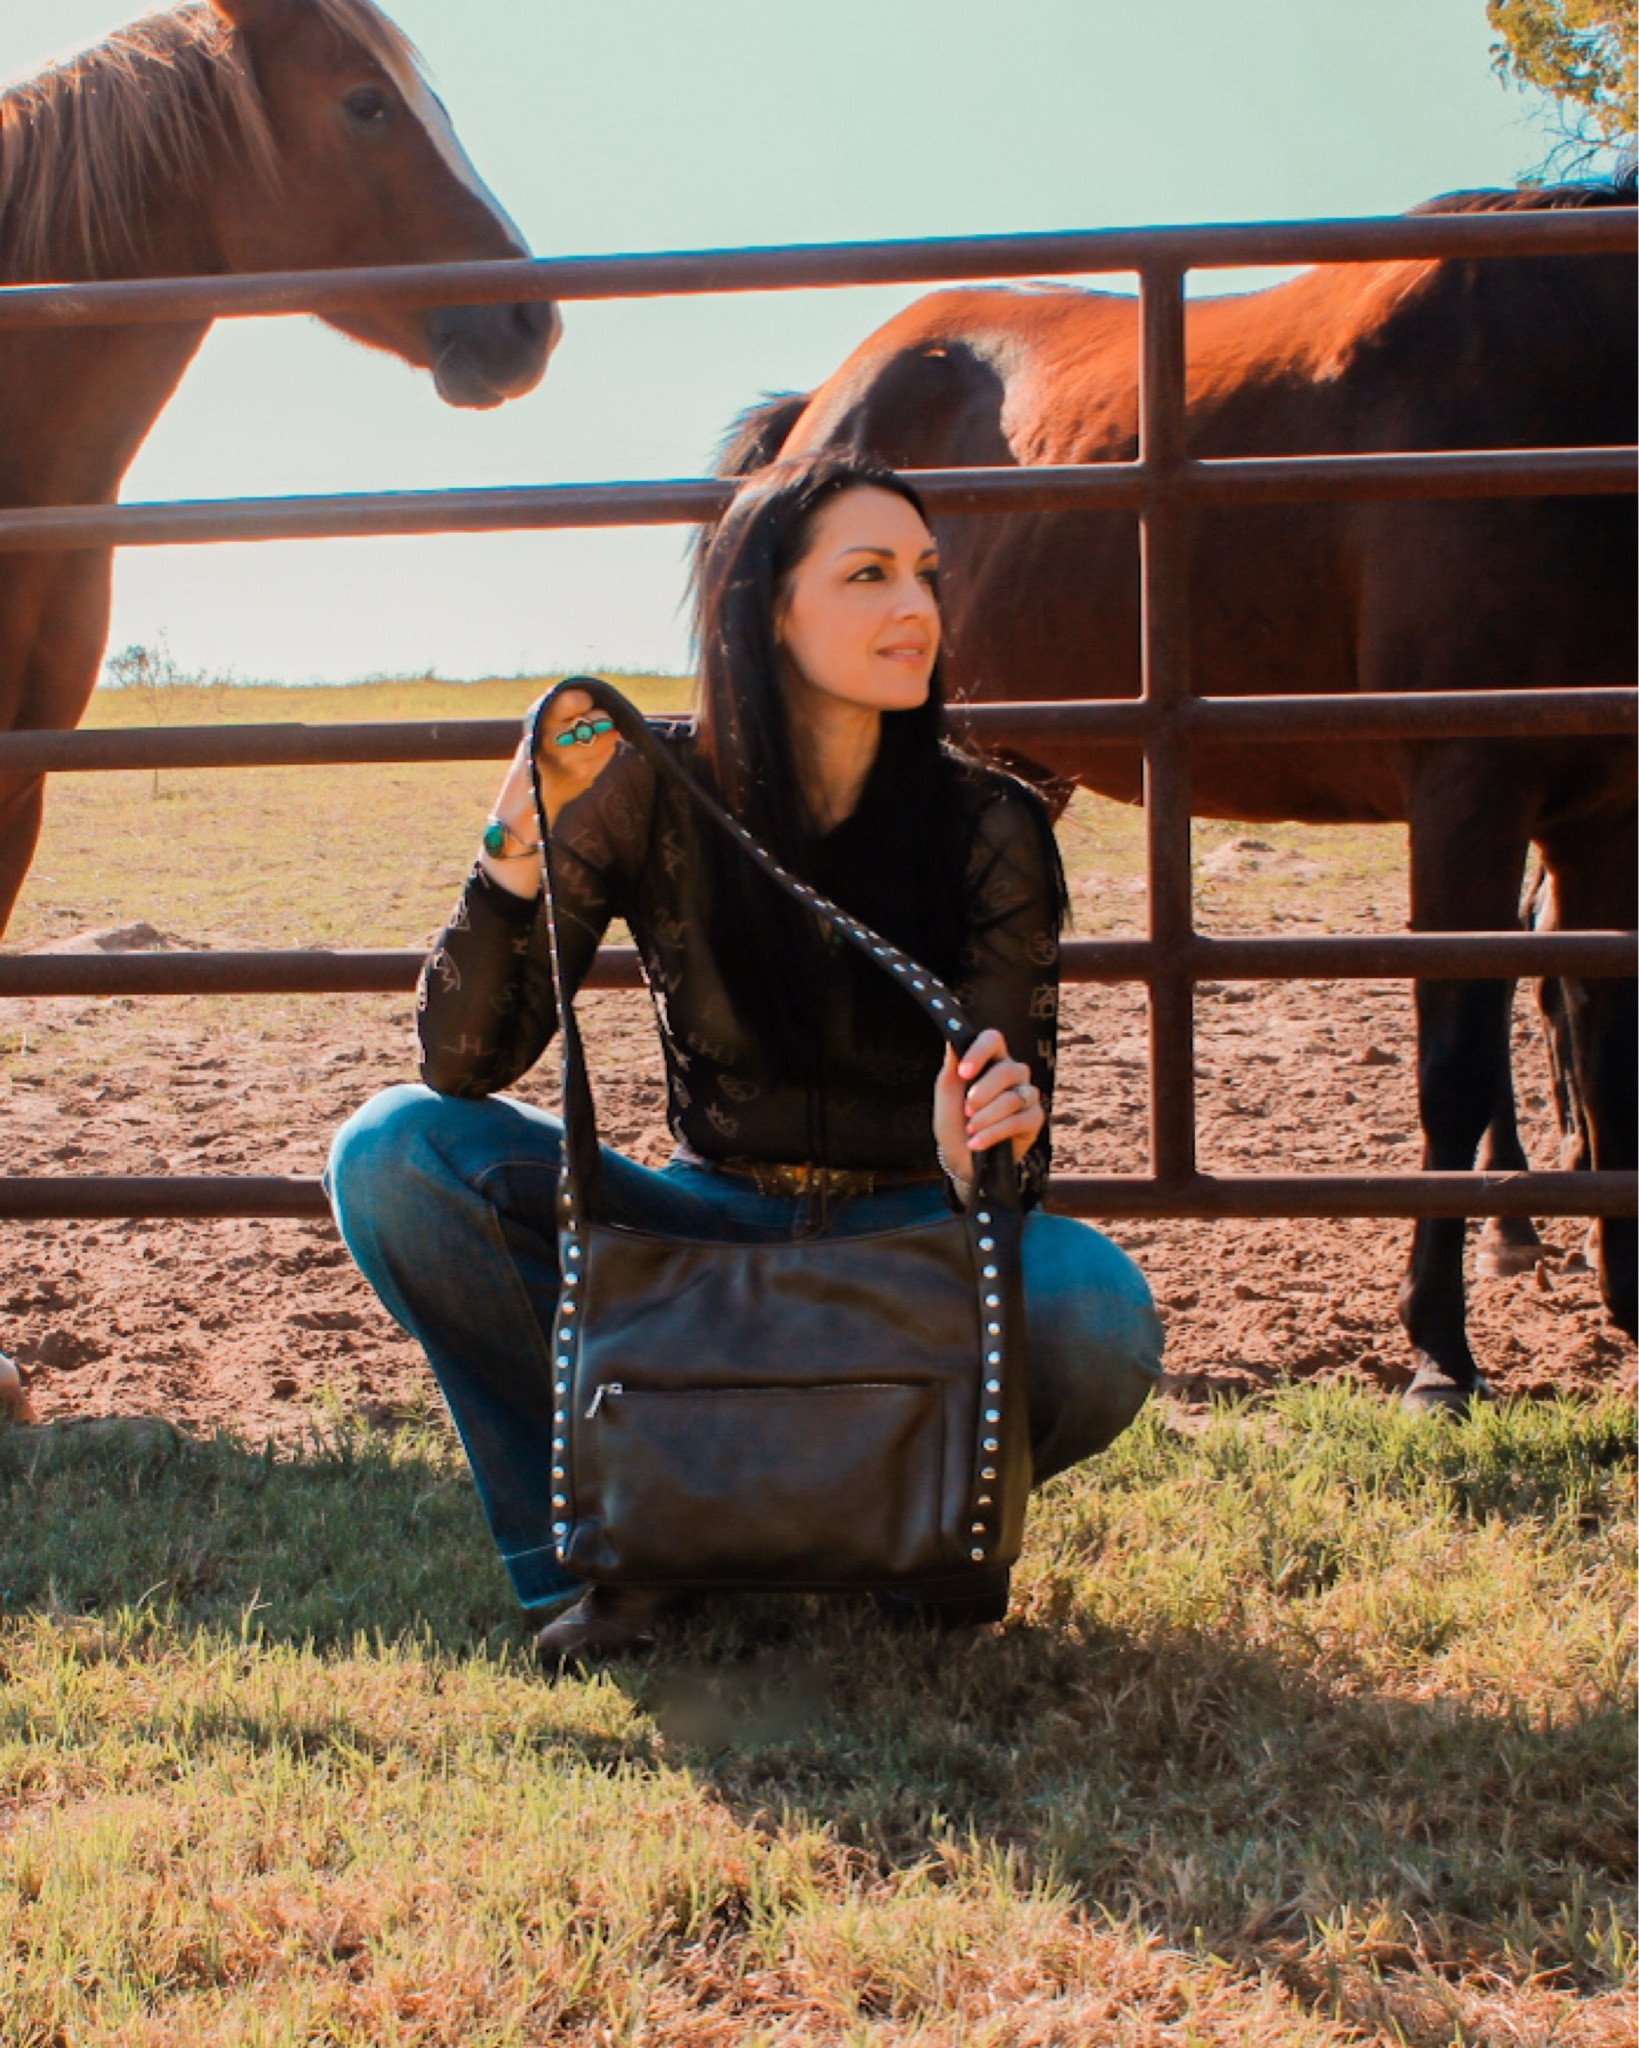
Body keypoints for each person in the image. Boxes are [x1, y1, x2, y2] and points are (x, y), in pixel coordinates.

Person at [327, 452, 1162, 1664]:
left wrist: (972, 1149)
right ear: (766, 607)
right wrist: (515, 839)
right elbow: (466, 1060)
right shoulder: (645, 785)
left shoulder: (992, 822)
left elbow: (1009, 1184)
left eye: (925, 573)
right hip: (702, 1226)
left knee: (1094, 1307)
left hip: (906, 1237)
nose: (916, 607)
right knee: (394, 1153)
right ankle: (611, 1546)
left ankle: (907, 1526)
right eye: (868, 574)